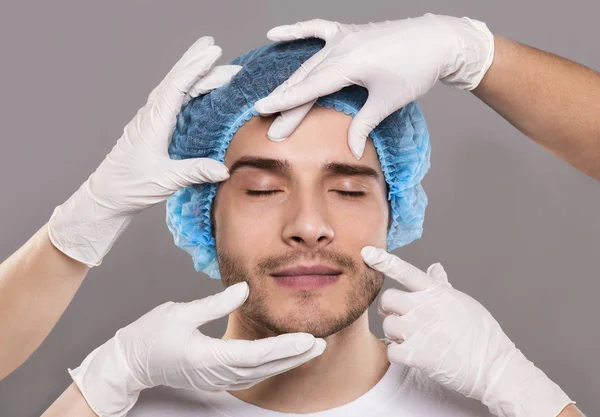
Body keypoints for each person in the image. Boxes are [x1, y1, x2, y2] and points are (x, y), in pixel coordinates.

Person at [42, 35, 581, 417]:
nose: (307, 225)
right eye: (261, 189)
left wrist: (525, 394)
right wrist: (104, 382)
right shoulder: (118, 406)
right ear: (203, 212)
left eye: (348, 190)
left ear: (394, 211)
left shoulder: (496, 405)